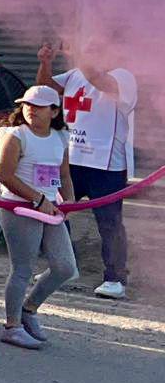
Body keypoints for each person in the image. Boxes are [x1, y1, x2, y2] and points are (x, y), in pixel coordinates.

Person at [37, 40, 136, 299]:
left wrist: (79, 56)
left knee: (109, 223)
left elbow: (100, 82)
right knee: (55, 215)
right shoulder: (74, 74)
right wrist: (45, 63)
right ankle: (63, 267)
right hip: (70, 158)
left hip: (106, 165)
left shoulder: (123, 77)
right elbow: (44, 90)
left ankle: (115, 278)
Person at [0, 84, 77, 349]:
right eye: (27, 105)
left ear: (54, 111)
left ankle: (29, 309)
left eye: (38, 106)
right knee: (22, 269)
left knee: (65, 267)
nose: (31, 111)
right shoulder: (16, 135)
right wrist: (37, 199)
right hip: (18, 208)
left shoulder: (61, 137)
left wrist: (69, 201)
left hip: (50, 208)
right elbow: (5, 174)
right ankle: (12, 325)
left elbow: (63, 174)